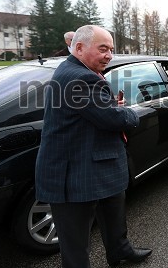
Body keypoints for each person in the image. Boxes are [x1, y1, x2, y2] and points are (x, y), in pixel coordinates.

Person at [35, 25, 152, 268]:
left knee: (113, 213)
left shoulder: (75, 70)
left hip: (97, 163)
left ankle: (119, 250)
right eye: (103, 49)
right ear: (79, 47)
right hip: (76, 175)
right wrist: (126, 111)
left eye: (111, 49)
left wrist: (110, 106)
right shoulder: (81, 77)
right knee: (76, 247)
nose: (109, 55)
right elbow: (115, 119)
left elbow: (94, 111)